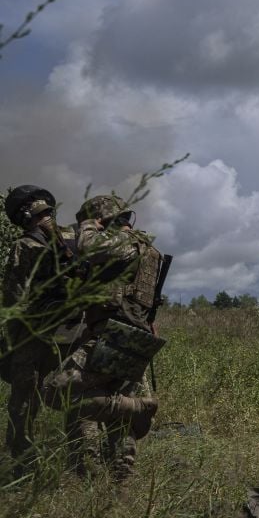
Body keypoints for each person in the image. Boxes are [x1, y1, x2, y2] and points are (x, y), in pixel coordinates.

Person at [41, 194, 164, 479]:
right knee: (118, 399)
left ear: (104, 220)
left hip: (114, 335)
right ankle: (121, 470)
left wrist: (88, 225)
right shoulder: (147, 248)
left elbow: (87, 246)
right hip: (136, 335)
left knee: (55, 390)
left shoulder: (122, 242)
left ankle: (141, 408)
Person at [3, 186, 78, 472]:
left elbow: (13, 297)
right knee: (75, 394)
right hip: (71, 330)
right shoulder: (72, 240)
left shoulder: (26, 245)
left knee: (23, 400)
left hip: (33, 334)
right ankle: (79, 458)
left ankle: (23, 464)